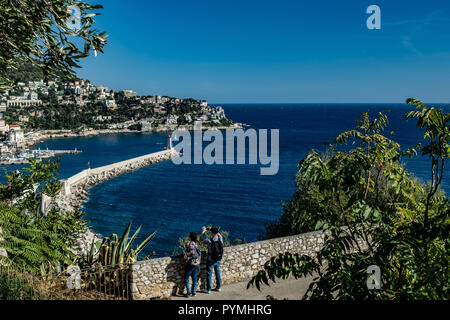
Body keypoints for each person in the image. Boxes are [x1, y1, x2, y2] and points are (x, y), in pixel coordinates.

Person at [201, 226, 223, 294]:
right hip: (218, 259)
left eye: (211, 232)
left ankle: (208, 289)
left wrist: (203, 232)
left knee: (209, 274)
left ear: (212, 233)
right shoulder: (220, 239)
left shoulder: (209, 240)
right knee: (217, 273)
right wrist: (211, 230)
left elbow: (201, 240)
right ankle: (218, 287)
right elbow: (219, 235)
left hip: (210, 260)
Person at [183, 232, 201, 297]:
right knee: (194, 278)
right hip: (196, 263)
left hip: (191, 263)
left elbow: (192, 253)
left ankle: (188, 292)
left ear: (190, 237)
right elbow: (199, 253)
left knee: (186, 277)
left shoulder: (191, 244)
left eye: (189, 236)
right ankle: (194, 292)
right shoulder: (196, 244)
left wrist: (186, 255)